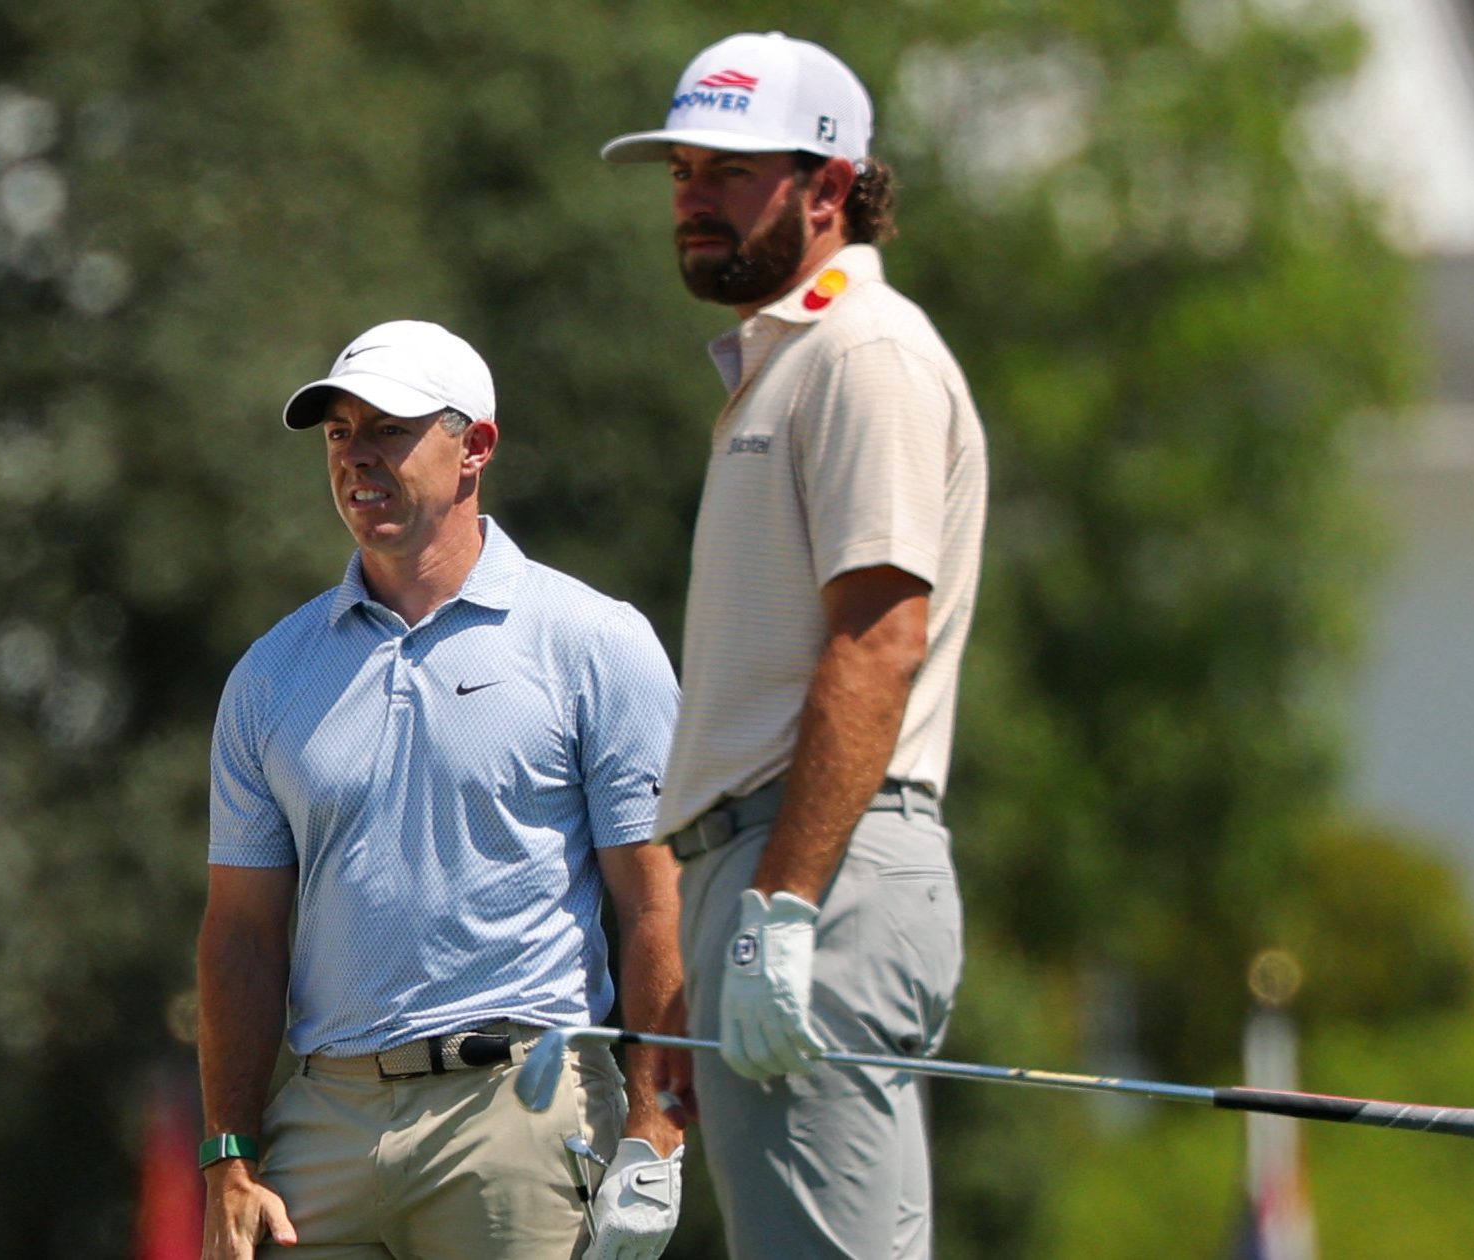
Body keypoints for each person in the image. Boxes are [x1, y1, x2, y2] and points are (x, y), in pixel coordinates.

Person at [601, 31, 989, 1260]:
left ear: (829, 187)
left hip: (819, 870)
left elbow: (879, 640)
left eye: (730, 172)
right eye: (681, 174)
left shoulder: (861, 354)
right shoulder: (788, 362)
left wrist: (780, 907)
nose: (692, 199)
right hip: (774, 873)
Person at [196, 320, 688, 1260]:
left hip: (522, 1109)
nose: (357, 460)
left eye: (390, 430)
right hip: (324, 1119)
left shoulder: (592, 642)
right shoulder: (271, 675)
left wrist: (656, 1131)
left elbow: (657, 900)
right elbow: (240, 933)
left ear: (476, 448)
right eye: (340, 435)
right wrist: (229, 1152)